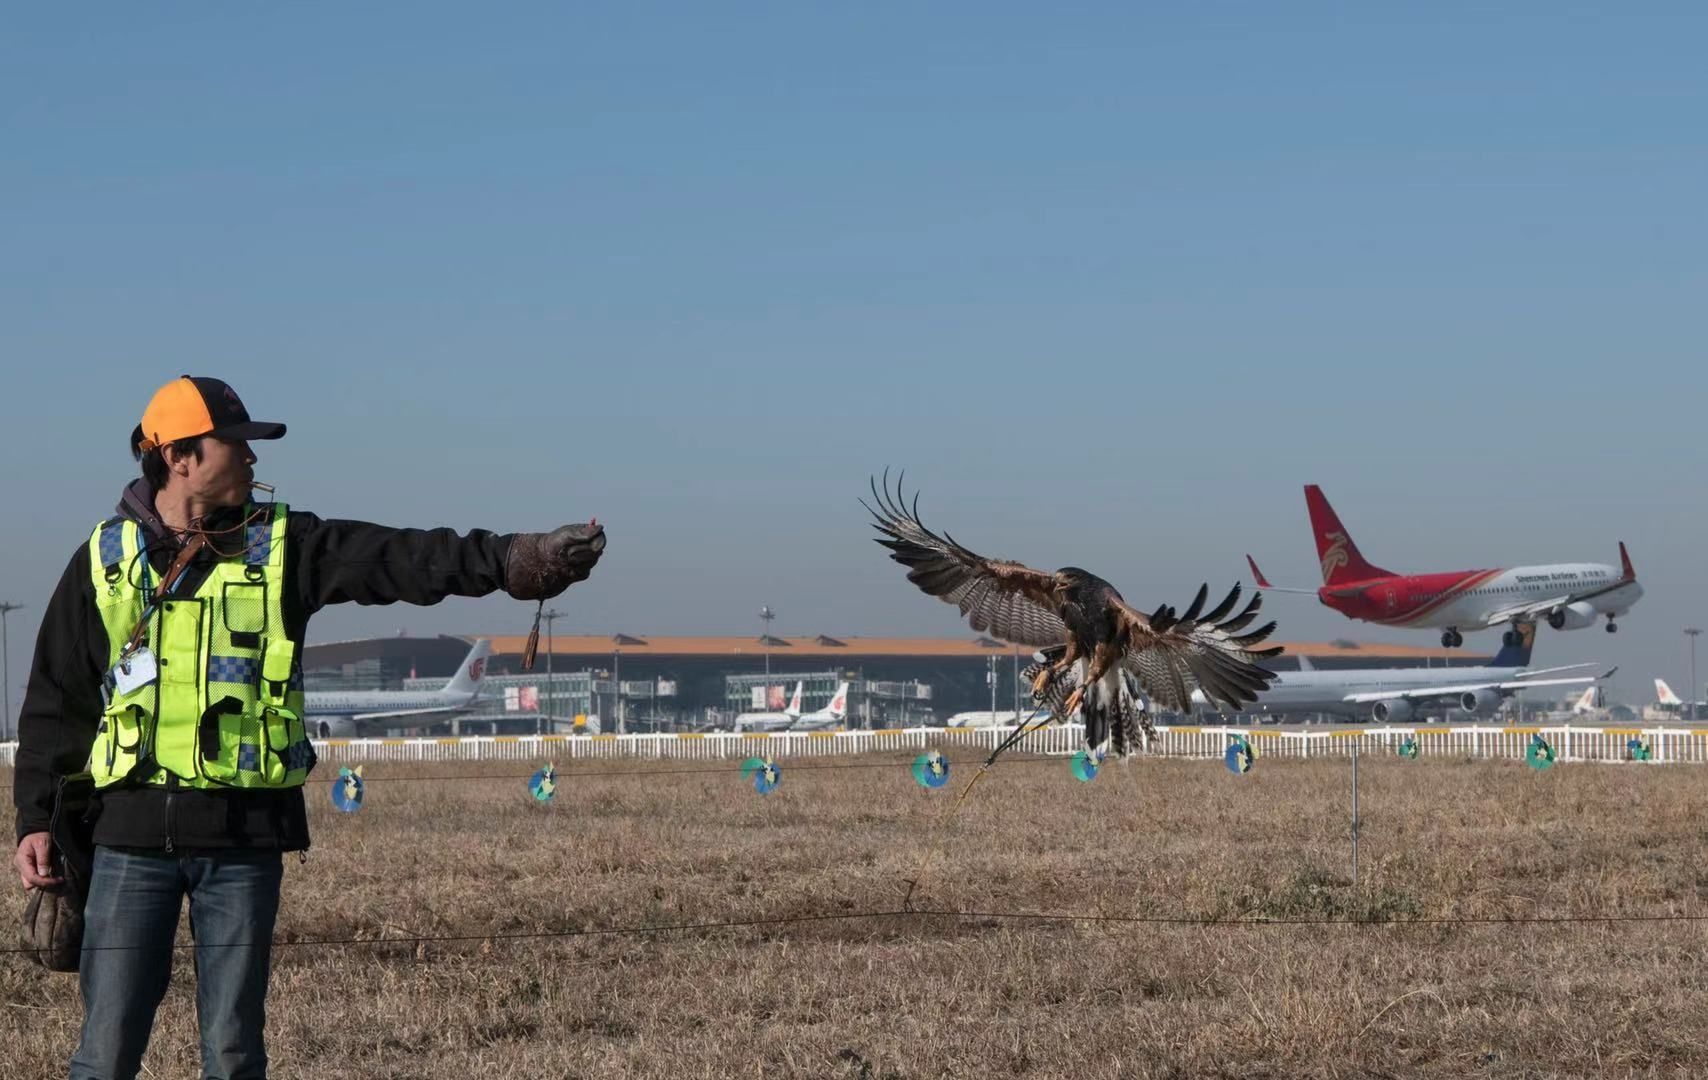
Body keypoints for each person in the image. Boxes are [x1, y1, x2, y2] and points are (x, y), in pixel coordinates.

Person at [12, 375, 605, 1080]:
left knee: (233, 1056)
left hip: (243, 843)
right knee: (103, 1055)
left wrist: (514, 560)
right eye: (237, 444)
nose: (254, 460)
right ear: (180, 457)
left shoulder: (288, 545)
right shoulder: (103, 561)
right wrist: (35, 819)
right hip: (128, 844)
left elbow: (402, 558)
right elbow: (58, 698)